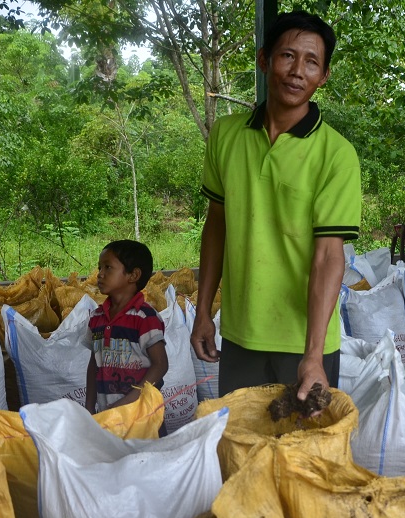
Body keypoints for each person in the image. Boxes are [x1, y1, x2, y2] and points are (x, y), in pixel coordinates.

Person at [190, 11, 361, 400]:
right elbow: (216, 225)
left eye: (311, 61)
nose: (297, 71)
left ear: (323, 76)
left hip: (304, 342)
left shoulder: (336, 154)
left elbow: (328, 256)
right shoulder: (226, 135)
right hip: (240, 333)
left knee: (301, 455)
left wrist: (314, 355)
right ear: (264, 60)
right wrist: (203, 312)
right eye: (287, 56)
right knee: (242, 447)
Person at [85, 239, 169, 414]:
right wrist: (89, 405)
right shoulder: (97, 318)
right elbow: (94, 365)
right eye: (99, 267)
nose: (99, 274)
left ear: (133, 275)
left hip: (142, 414)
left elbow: (160, 365)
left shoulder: (145, 317)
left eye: (107, 267)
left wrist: (129, 401)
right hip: (107, 413)